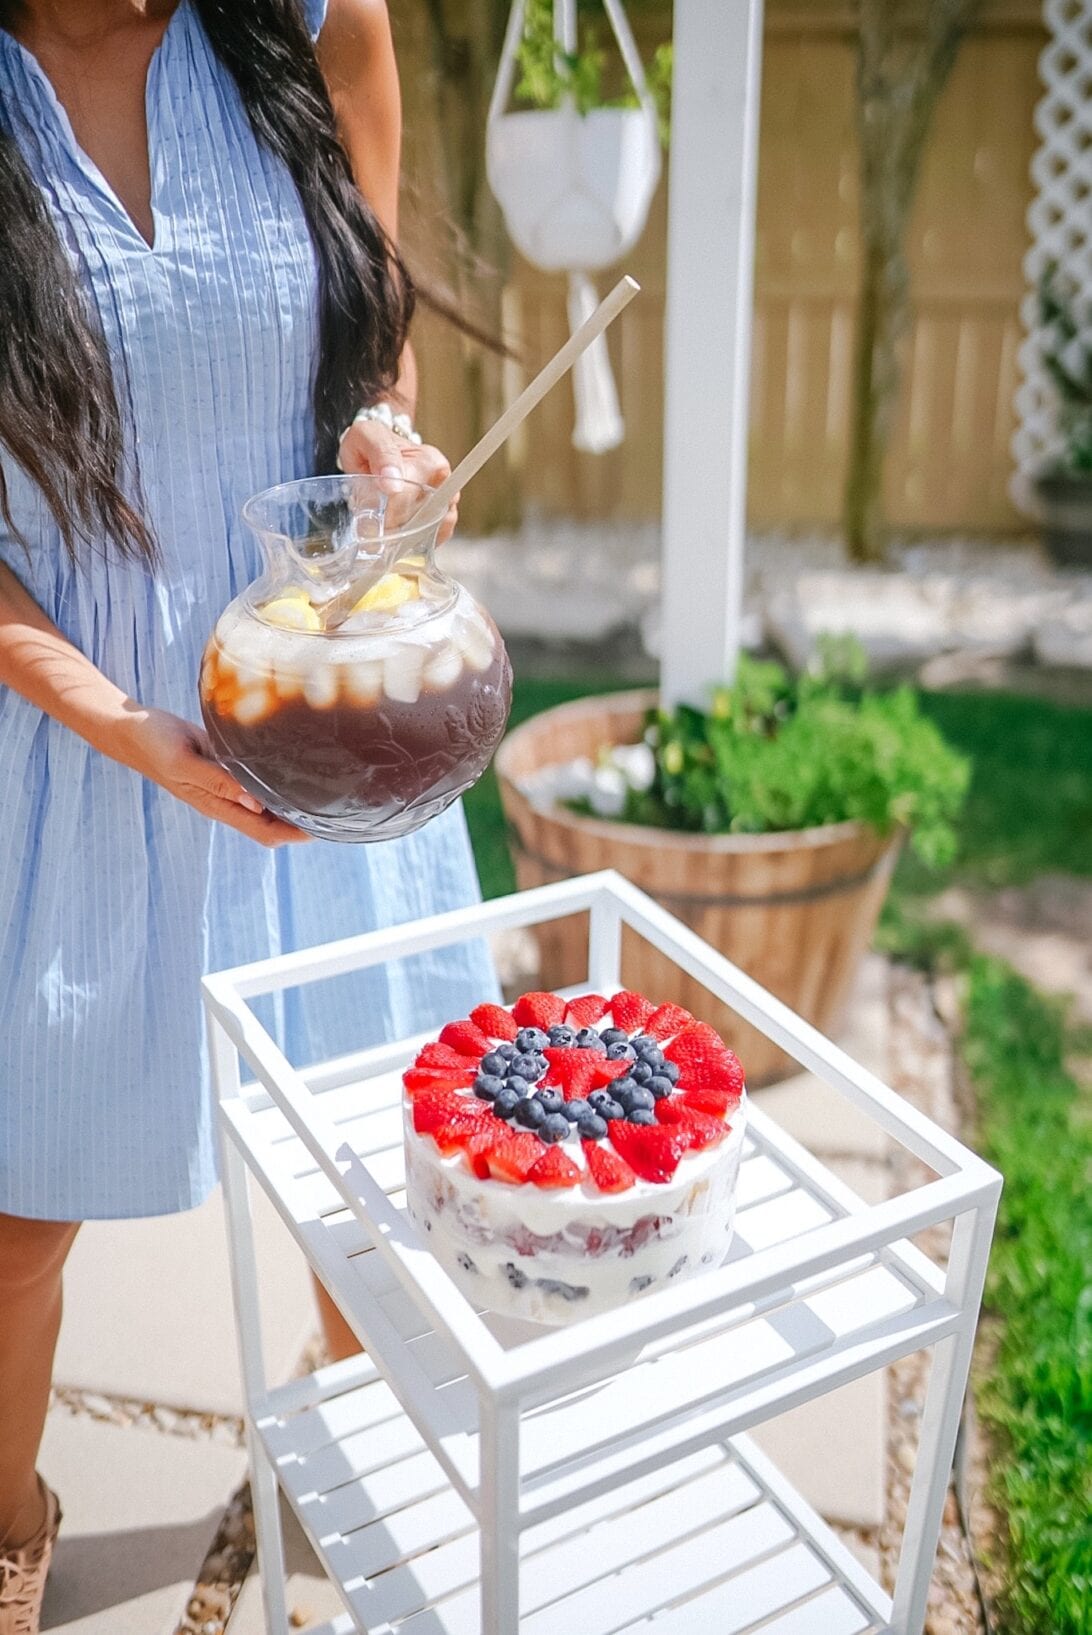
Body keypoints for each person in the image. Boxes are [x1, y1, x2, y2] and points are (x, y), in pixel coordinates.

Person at [0, 3, 498, 1626]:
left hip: (327, 696)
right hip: (76, 739)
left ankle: (342, 1456)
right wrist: (124, 725)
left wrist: (383, 442)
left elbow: (372, 337)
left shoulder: (314, 21)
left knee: (368, 1175)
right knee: (14, 1227)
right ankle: (7, 1532)